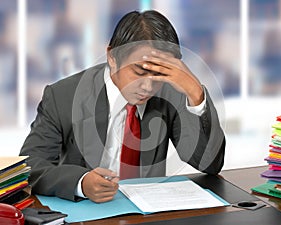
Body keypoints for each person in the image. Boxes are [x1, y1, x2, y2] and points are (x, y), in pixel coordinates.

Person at [20, 10, 225, 203]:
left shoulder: (173, 93)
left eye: (159, 74)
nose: (148, 87)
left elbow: (209, 165)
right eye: (139, 71)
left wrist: (196, 93)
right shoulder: (63, 96)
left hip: (149, 215)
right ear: (112, 57)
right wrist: (80, 183)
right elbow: (29, 167)